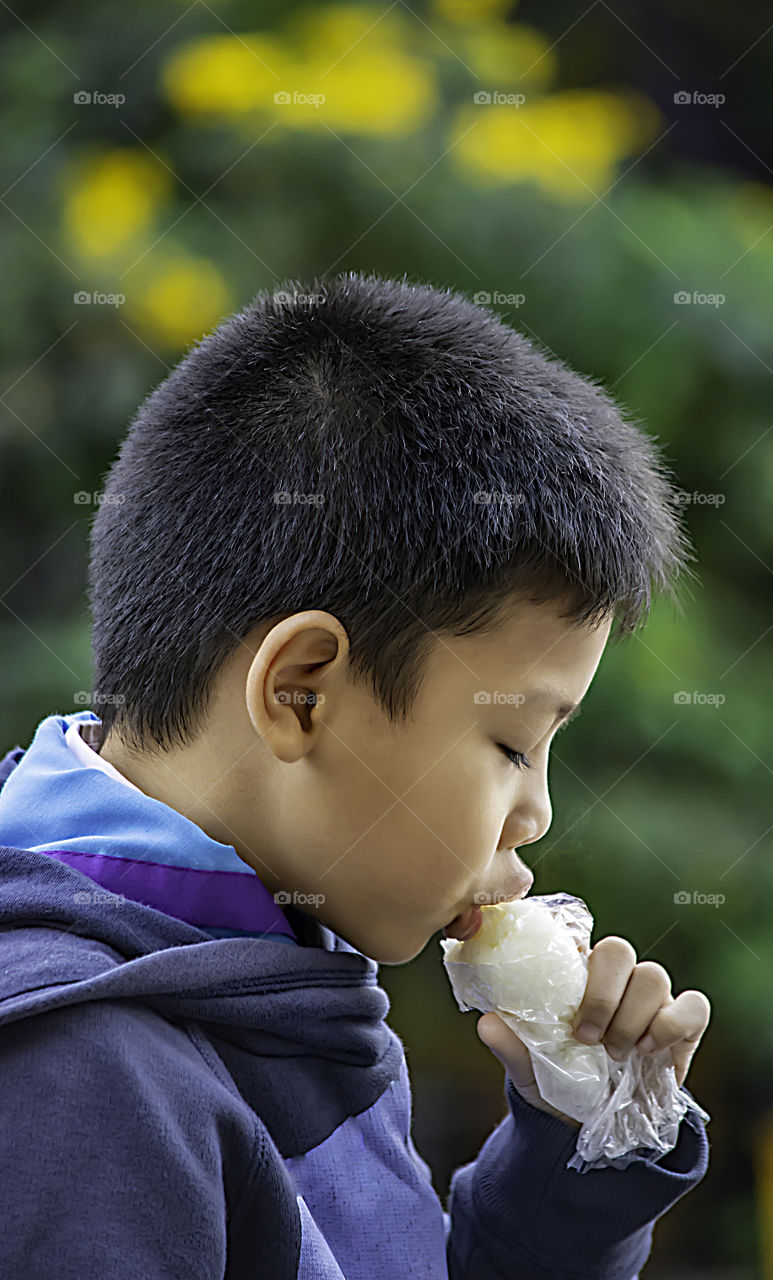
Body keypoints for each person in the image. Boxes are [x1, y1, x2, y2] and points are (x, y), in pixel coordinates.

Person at [0, 272, 711, 1278]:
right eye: (511, 745)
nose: (534, 812)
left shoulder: (285, 964)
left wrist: (579, 1152)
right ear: (300, 692)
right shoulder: (77, 1078)